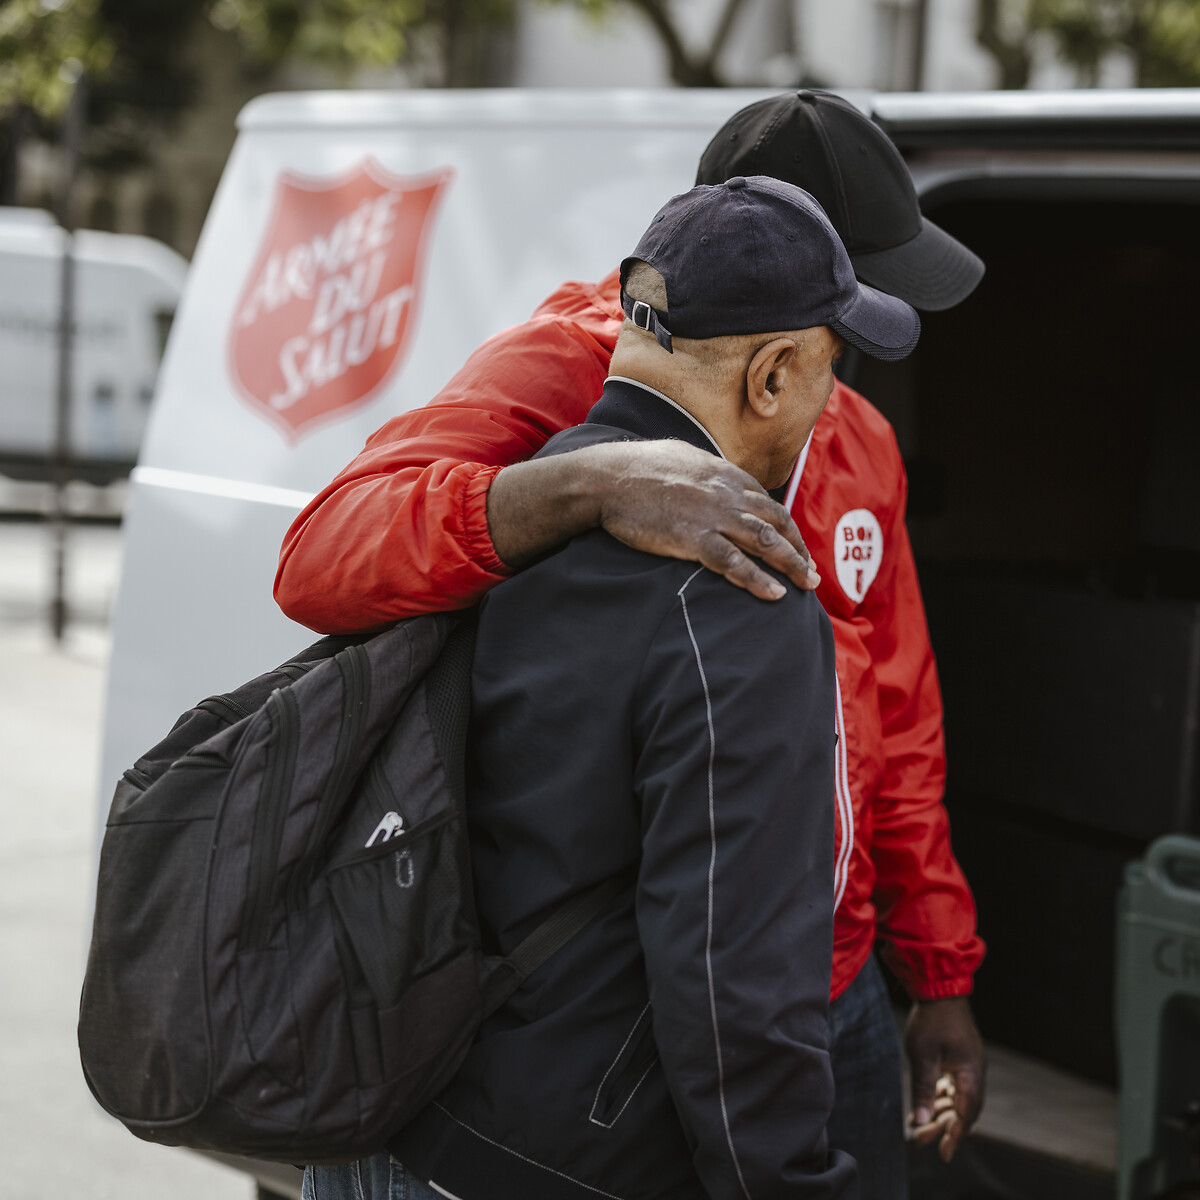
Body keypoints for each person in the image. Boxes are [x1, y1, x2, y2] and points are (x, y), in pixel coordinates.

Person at [277, 92, 988, 1199]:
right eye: (848, 311)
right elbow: (323, 556)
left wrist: (939, 973)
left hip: (828, 981)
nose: (852, 354)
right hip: (639, 1001)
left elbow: (896, 721)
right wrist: (585, 483)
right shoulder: (578, 371)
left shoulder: (859, 442)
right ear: (774, 328)